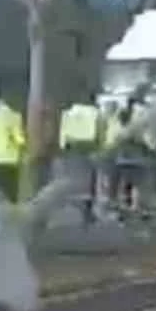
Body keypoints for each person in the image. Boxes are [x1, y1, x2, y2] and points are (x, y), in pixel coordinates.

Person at [58, 93, 102, 224]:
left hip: (72, 147)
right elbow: (100, 132)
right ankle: (87, 211)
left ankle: (74, 206)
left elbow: (63, 132)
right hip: (89, 146)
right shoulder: (95, 112)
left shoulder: (67, 113)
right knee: (90, 180)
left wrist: (63, 147)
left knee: (72, 178)